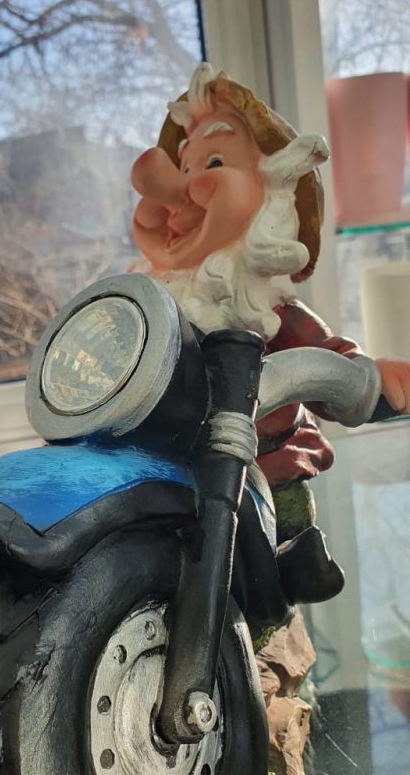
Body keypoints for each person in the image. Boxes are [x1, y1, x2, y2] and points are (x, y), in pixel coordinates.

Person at [130, 62, 410, 545]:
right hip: (174, 474)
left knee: (282, 532)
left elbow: (322, 354)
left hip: (267, 464)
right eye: (184, 168)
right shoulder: (155, 313)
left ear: (273, 192)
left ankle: (302, 565)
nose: (178, 193)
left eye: (212, 164)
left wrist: (367, 376)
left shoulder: (266, 312)